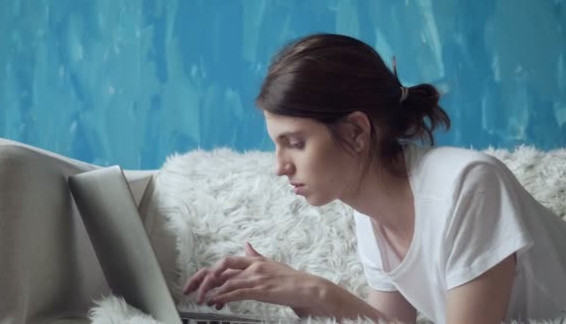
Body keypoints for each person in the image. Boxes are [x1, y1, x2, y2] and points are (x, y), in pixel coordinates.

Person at [183, 33, 566, 323]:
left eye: (295, 143)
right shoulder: (370, 210)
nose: (279, 166)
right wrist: (299, 294)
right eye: (276, 145)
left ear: (355, 132)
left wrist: (319, 291)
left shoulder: (468, 185)